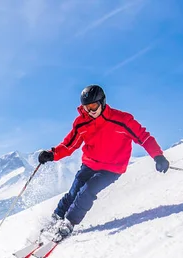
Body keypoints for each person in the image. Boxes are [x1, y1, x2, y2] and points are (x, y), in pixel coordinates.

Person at [37, 84, 170, 241]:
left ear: (102, 102)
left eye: (94, 106)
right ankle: (57, 216)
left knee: (87, 190)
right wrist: (52, 154)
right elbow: (69, 145)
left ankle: (69, 222)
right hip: (90, 164)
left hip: (112, 168)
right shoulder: (81, 123)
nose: (90, 111)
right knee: (74, 191)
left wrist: (158, 156)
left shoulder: (122, 120)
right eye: (87, 107)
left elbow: (144, 137)